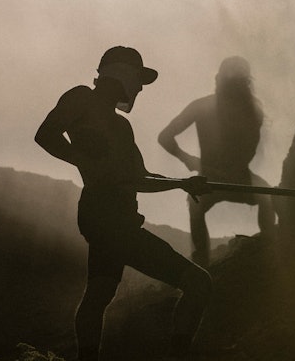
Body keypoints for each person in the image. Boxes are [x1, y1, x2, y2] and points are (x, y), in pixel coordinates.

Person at [35, 46, 212, 361]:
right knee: (198, 282)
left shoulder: (121, 127)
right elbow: (45, 134)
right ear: (122, 74)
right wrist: (82, 158)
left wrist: (182, 184)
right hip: (106, 214)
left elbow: (140, 179)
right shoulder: (81, 98)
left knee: (100, 293)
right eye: (139, 79)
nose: (141, 88)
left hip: (115, 215)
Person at [158, 56, 276, 267]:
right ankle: (202, 264)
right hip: (212, 179)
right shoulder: (206, 107)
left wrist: (218, 168)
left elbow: (250, 149)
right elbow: (165, 137)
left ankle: (268, 252)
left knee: (268, 197)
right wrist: (188, 159)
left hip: (235, 177)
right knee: (196, 204)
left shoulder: (252, 111)